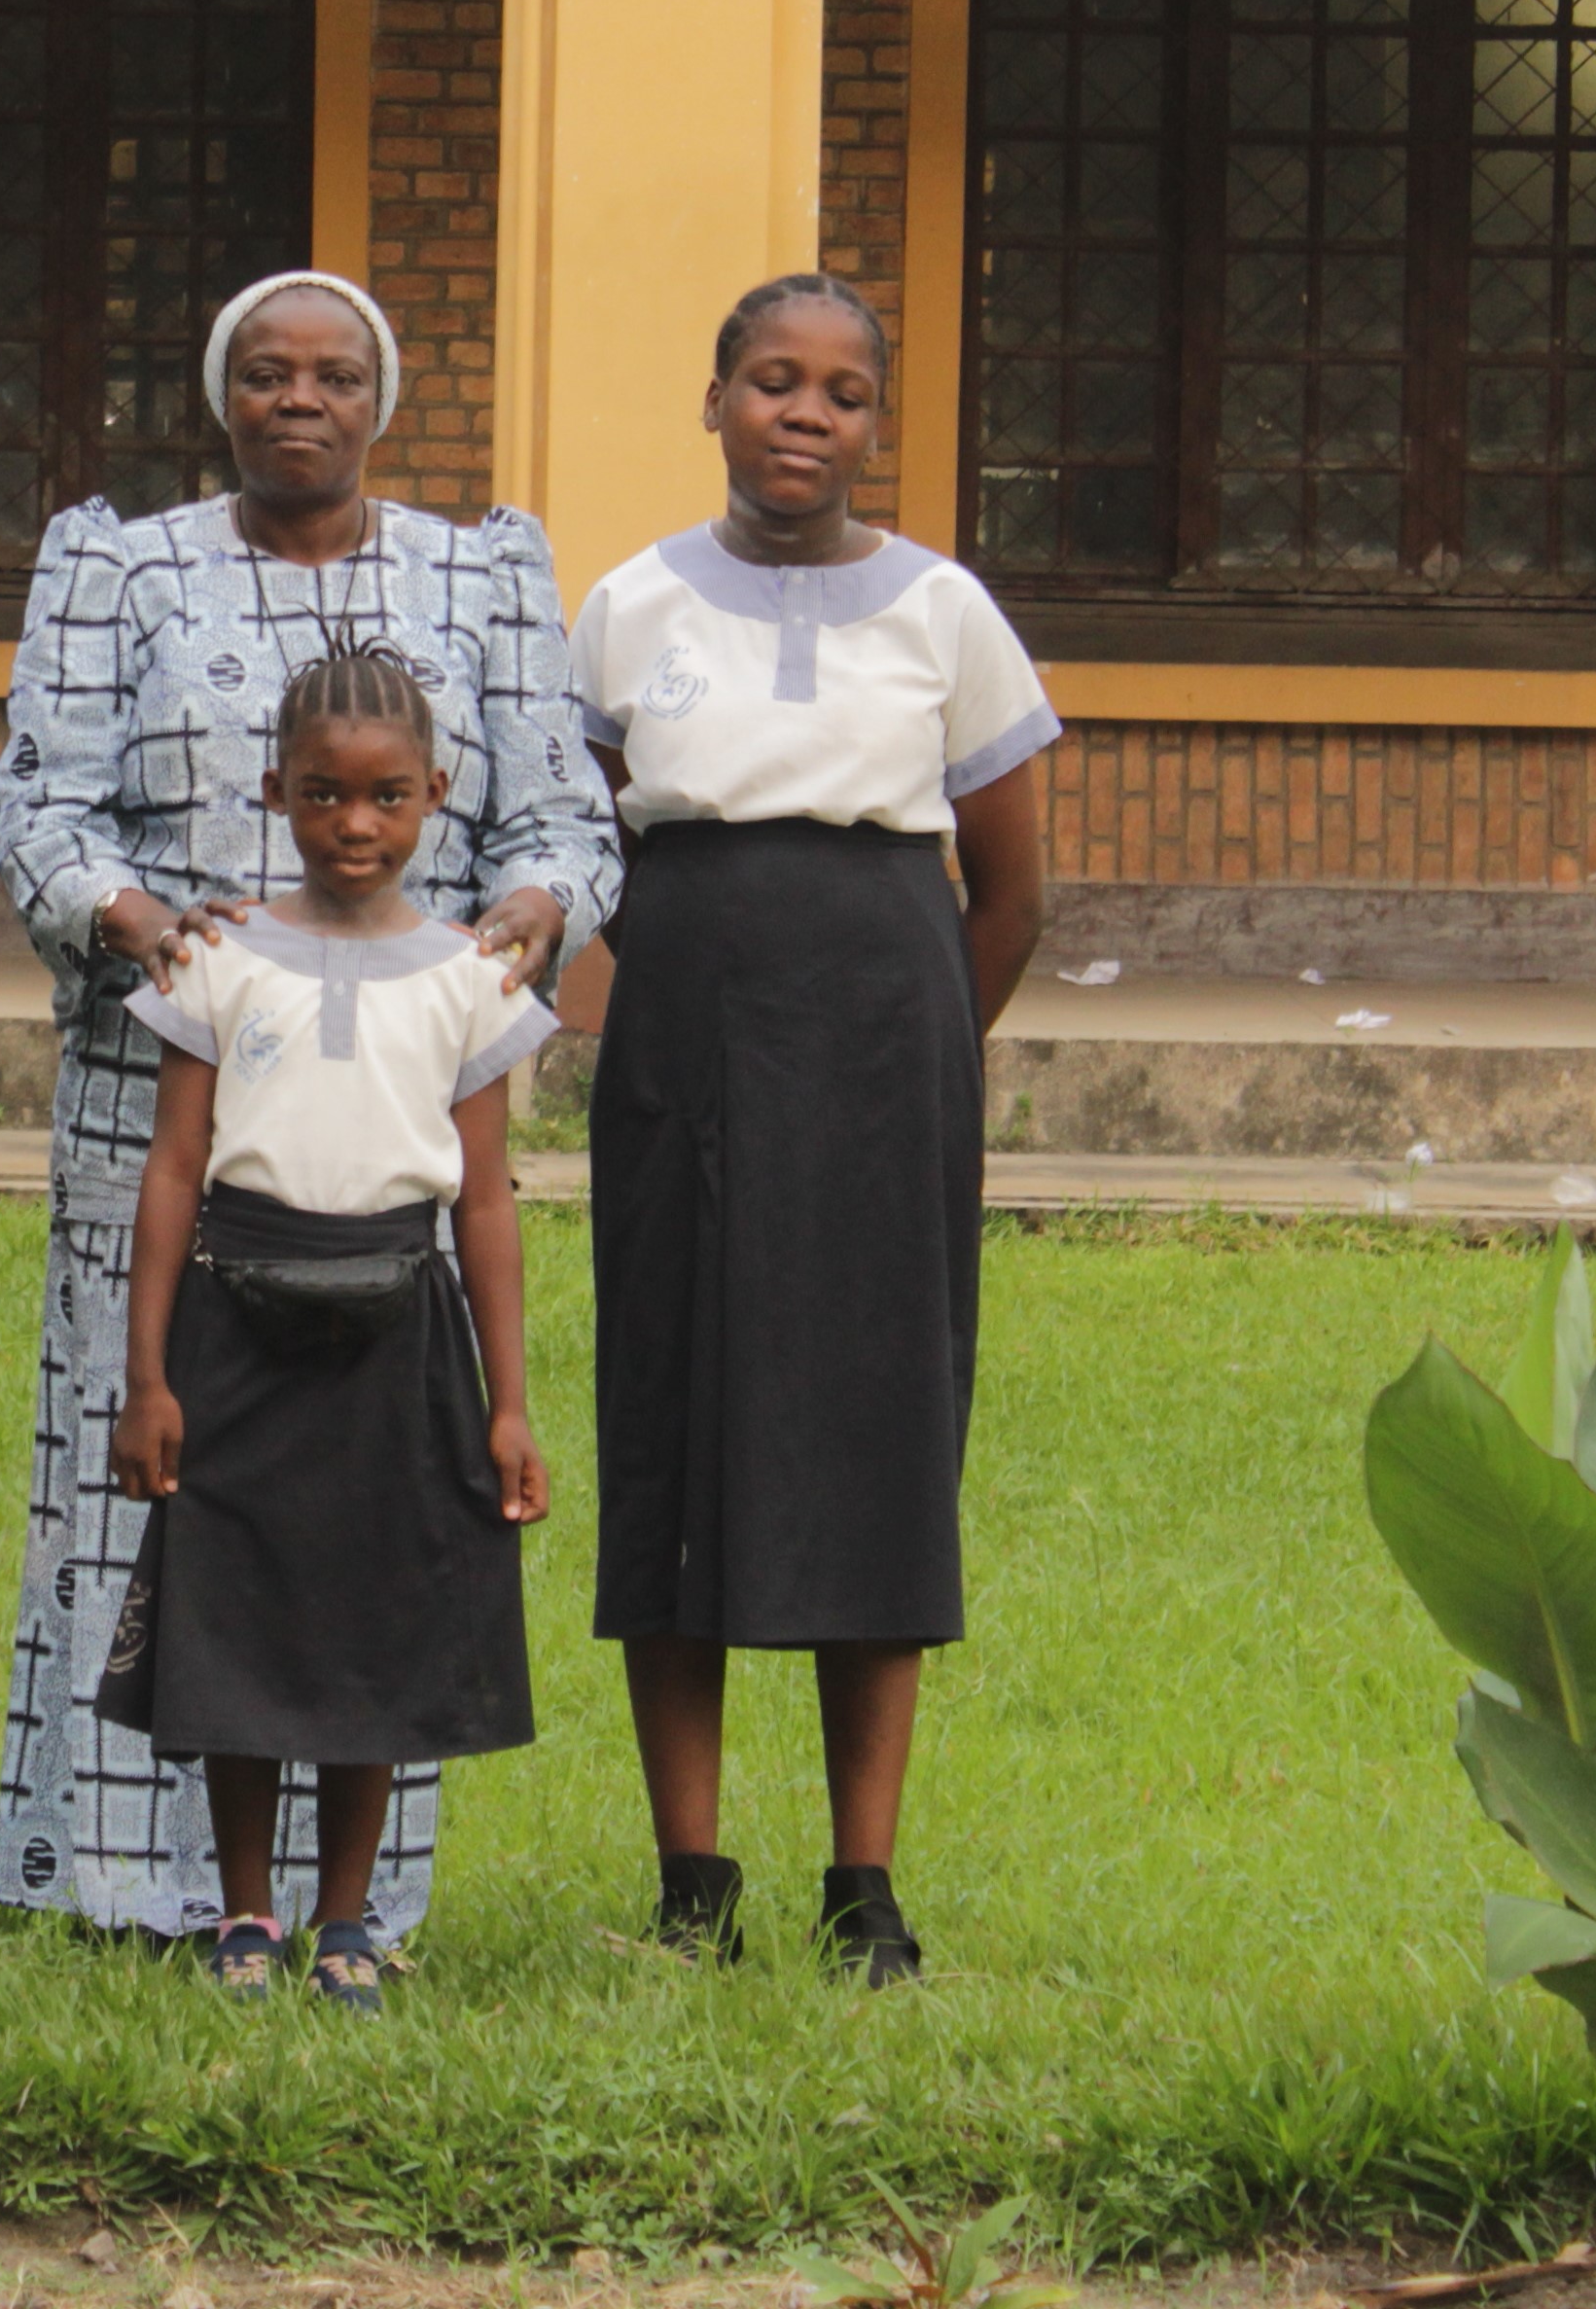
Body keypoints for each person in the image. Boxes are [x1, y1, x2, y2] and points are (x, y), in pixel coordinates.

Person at [0, 267, 621, 1945]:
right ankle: (134, 1883)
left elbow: (568, 821)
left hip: (403, 1106)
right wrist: (136, 923)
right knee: (159, 1481)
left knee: (371, 1513)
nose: (299, 401)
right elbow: (37, 807)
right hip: (171, 1099)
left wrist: (530, 918)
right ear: (222, 396)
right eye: (264, 375)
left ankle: (354, 1901)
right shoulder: (120, 568)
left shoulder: (480, 576)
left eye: (334, 377)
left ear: (381, 400)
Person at [566, 270, 1054, 1986]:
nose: (804, 415)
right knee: (675, 1411)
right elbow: (577, 849)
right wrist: (677, 1019)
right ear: (713, 402)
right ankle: (693, 1878)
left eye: (842, 393)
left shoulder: (945, 610)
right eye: (772, 382)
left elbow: (1006, 895)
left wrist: (908, 1052)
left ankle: (867, 1884)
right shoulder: (625, 606)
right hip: (686, 1033)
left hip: (883, 1045)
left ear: (875, 423)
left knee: (878, 1428)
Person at [97, 643, 553, 2016]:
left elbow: (484, 1201)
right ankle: (245, 1908)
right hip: (239, 1325)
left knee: (378, 1620)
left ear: (439, 796)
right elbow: (172, 1170)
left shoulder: (470, 976)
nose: (356, 827)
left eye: (389, 798)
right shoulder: (216, 958)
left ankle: (346, 1917)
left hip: (400, 1328)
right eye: (323, 797)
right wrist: (145, 1377)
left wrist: (511, 1402)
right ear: (274, 790)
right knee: (239, 1613)